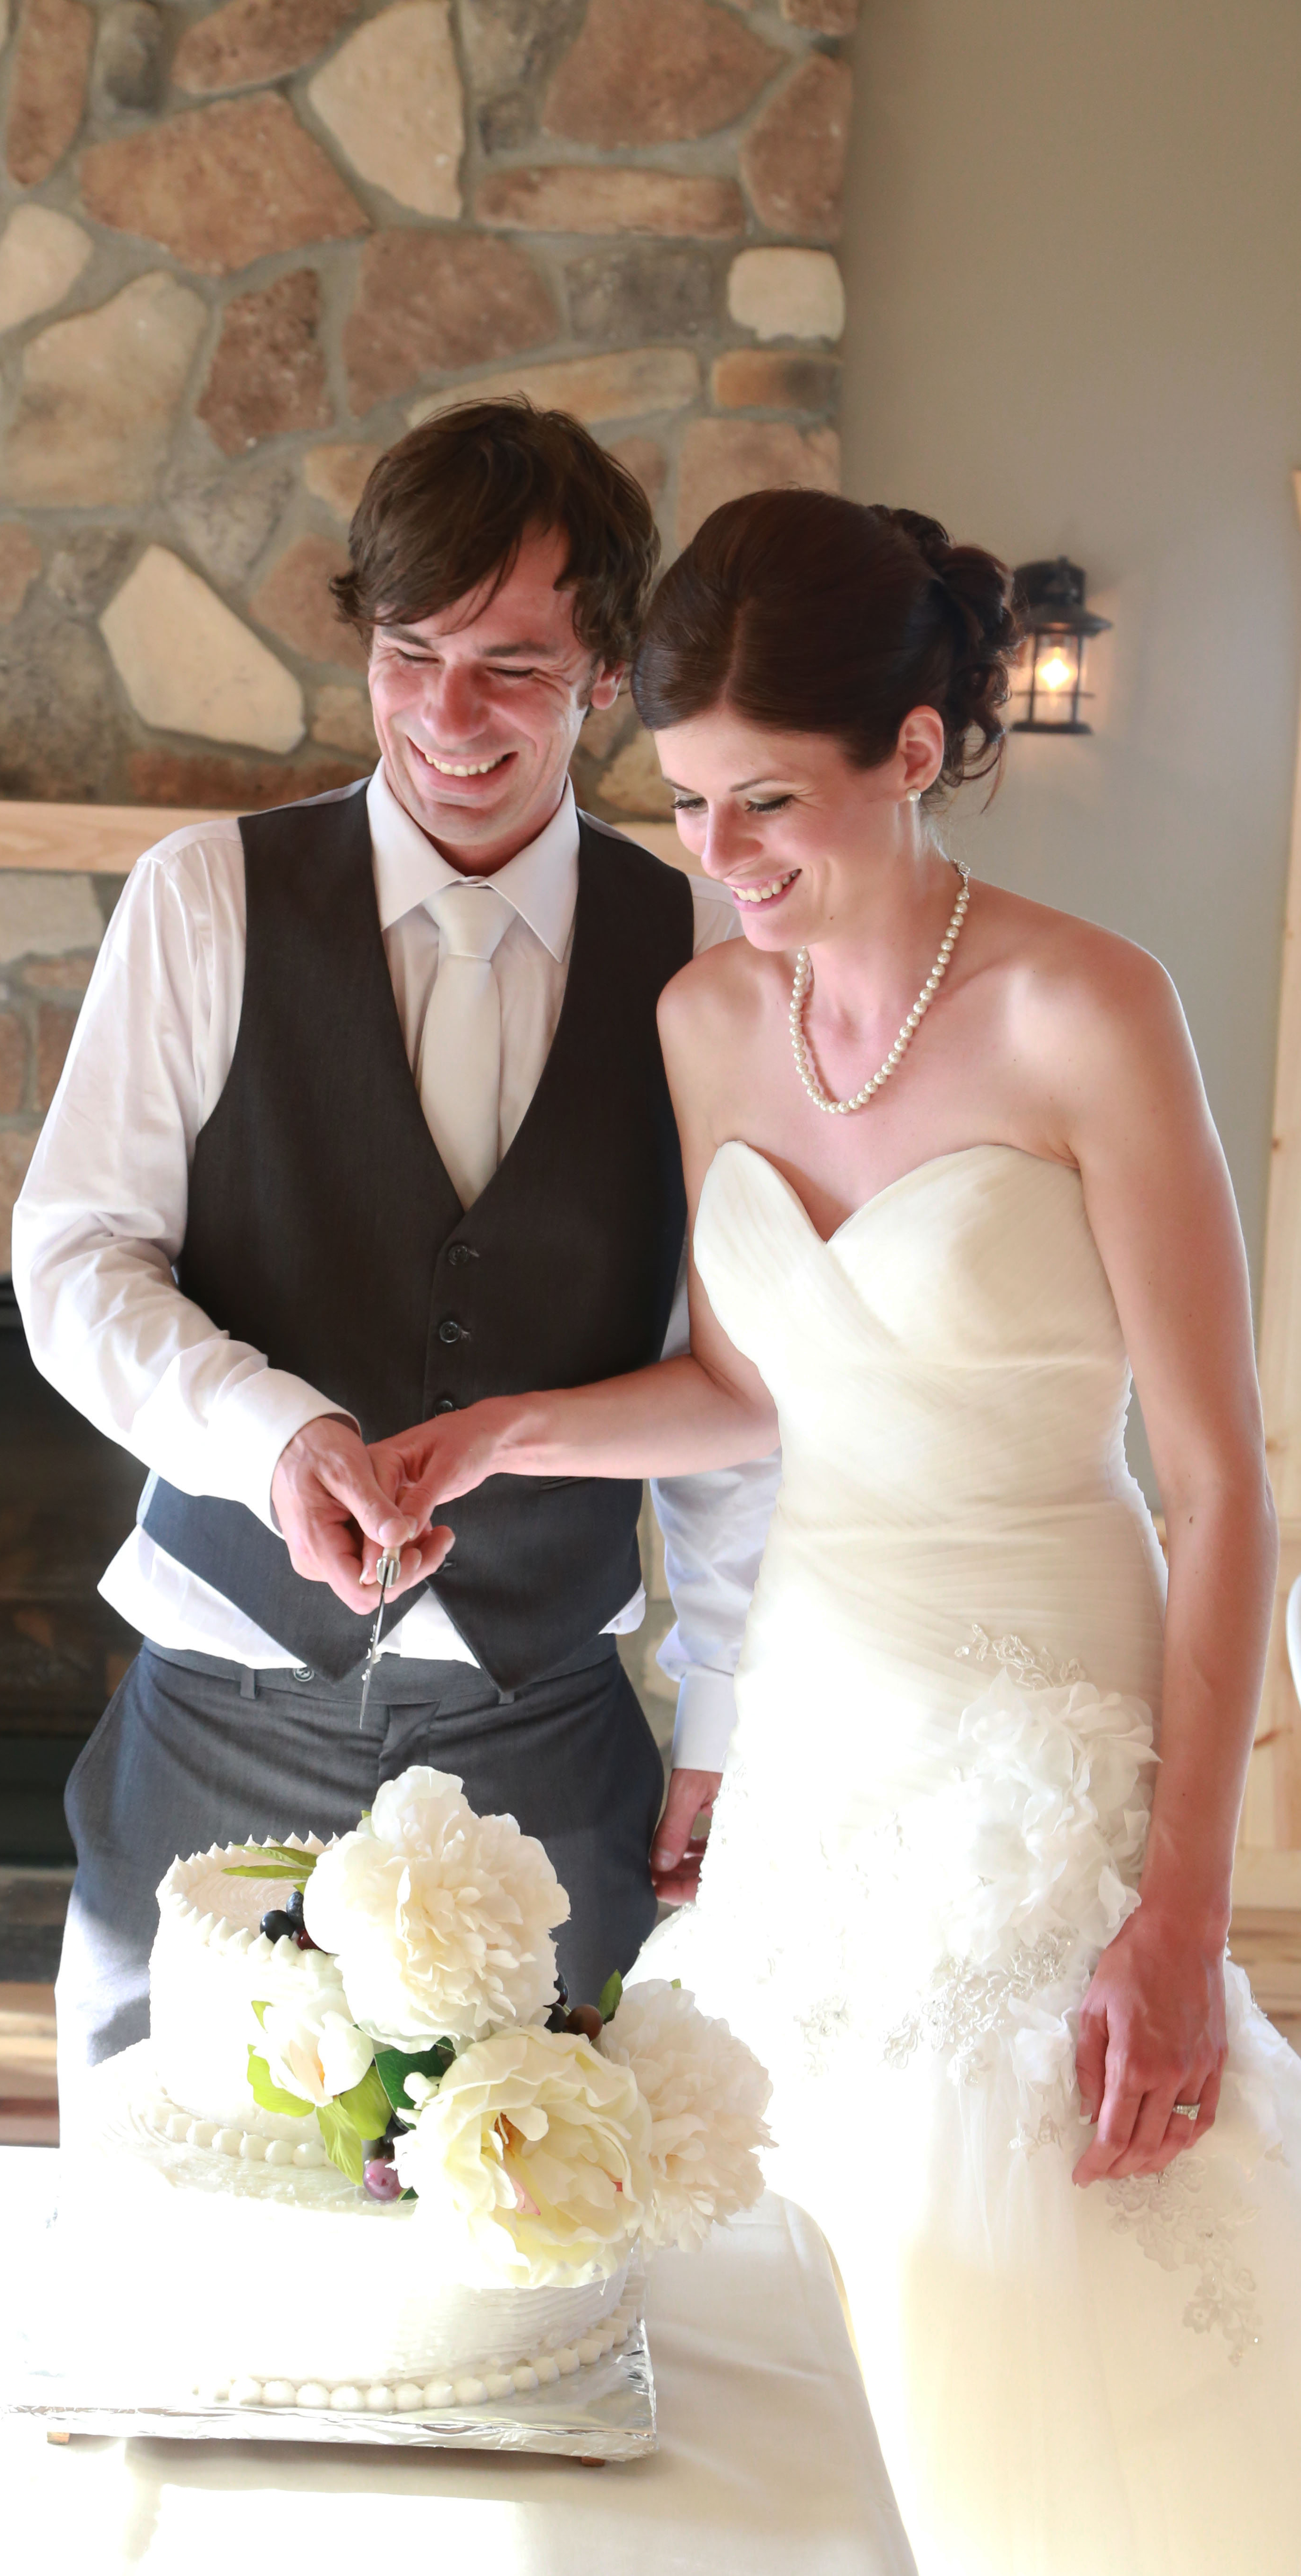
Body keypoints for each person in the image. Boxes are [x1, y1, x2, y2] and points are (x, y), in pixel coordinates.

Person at [369, 488, 1301, 2574]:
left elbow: (1225, 1483)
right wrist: (509, 1433)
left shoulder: (1091, 1010)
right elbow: (754, 1388)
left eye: (768, 801)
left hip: (1043, 1720)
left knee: (1040, 2230)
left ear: (913, 750)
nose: (723, 857)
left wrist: (1184, 1915)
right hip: (816, 1719)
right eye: (691, 802)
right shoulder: (713, 1020)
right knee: (788, 2225)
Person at [13, 401, 778, 2109]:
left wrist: (720, 1718)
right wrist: (268, 1432)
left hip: (549, 1735)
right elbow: (76, 1263)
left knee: (550, 2220)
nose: (447, 716)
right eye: (410, 654)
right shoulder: (204, 900)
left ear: (607, 677)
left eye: (512, 668)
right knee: (172, 2207)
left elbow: (734, 1382)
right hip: (218, 1723)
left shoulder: (704, 951)